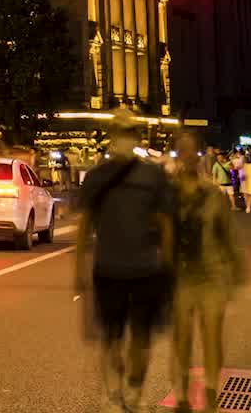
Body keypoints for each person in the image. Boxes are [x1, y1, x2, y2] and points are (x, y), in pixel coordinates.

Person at [75, 115, 176, 413]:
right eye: (119, 132)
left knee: (141, 339)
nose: (124, 137)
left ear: (137, 137)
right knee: (111, 338)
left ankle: (134, 390)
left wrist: (168, 265)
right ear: (111, 136)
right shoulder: (97, 176)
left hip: (147, 269)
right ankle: (111, 393)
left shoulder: (153, 176)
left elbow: (165, 223)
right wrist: (78, 269)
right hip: (108, 269)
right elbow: (84, 226)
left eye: (129, 132)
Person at [169, 131, 248, 413]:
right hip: (179, 277)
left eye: (192, 151)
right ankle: (181, 395)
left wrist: (239, 273)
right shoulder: (167, 195)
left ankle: (212, 390)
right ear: (177, 155)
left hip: (212, 274)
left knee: (212, 334)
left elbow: (228, 236)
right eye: (182, 151)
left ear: (199, 155)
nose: (188, 156)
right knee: (182, 337)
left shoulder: (213, 193)